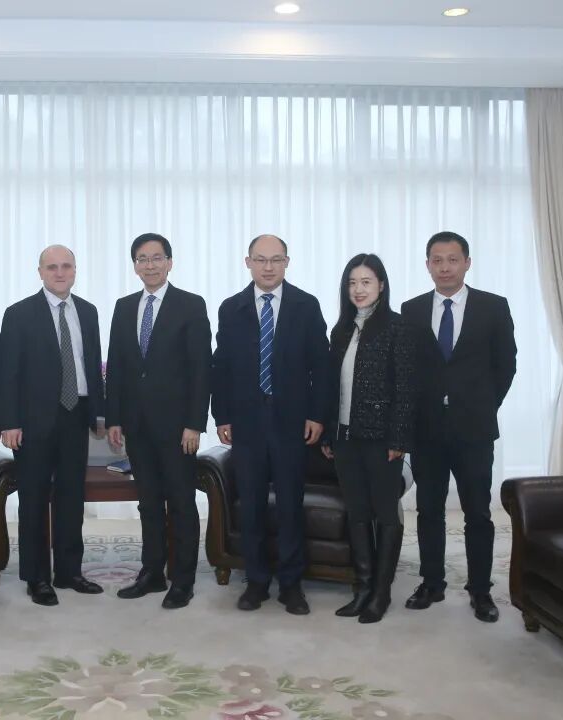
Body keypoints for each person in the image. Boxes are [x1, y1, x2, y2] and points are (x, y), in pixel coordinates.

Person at [400, 231, 517, 623]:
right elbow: (408, 370)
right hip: (427, 429)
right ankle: (431, 583)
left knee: (478, 513)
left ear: (467, 263)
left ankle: (481, 590)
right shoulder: (412, 310)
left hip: (474, 429)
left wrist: (482, 405)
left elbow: (506, 364)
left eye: (452, 259)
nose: (445, 267)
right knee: (429, 510)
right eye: (437, 260)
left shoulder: (493, 307)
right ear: (427, 265)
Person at [211, 234, 329, 615]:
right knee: (251, 507)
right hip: (246, 424)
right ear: (248, 262)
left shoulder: (306, 306)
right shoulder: (232, 308)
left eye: (276, 259)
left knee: (291, 505)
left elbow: (321, 366)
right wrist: (222, 415)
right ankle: (256, 582)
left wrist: (317, 415)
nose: (268, 267)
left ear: (287, 262)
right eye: (260, 259)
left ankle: (292, 585)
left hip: (292, 423)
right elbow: (221, 366)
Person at [105, 233, 212, 610]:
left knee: (181, 502)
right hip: (136, 425)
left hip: (178, 427)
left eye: (156, 258)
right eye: (142, 259)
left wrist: (194, 424)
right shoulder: (123, 307)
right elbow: (117, 365)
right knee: (148, 503)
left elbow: (201, 369)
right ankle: (151, 572)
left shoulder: (191, 305)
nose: (149, 265)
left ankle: (182, 580)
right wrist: (114, 418)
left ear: (169, 262)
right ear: (135, 266)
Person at [0, 245, 106, 606]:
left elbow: (92, 364)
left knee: (71, 498)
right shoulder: (19, 314)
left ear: (75, 270)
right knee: (33, 500)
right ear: (40, 272)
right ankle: (37, 577)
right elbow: (7, 373)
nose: (60, 273)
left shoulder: (87, 311)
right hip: (33, 422)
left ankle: (69, 571)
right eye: (52, 267)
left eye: (66, 266)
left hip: (76, 416)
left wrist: (99, 414)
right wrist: (9, 421)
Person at [322, 253, 415, 624]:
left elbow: (406, 388)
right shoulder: (341, 330)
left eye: (366, 282)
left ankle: (381, 592)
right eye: (352, 283)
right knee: (357, 512)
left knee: (385, 513)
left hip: (382, 439)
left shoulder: (397, 327)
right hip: (345, 437)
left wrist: (399, 439)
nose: (358, 289)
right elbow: (332, 387)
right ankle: (362, 588)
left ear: (381, 285)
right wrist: (330, 431)